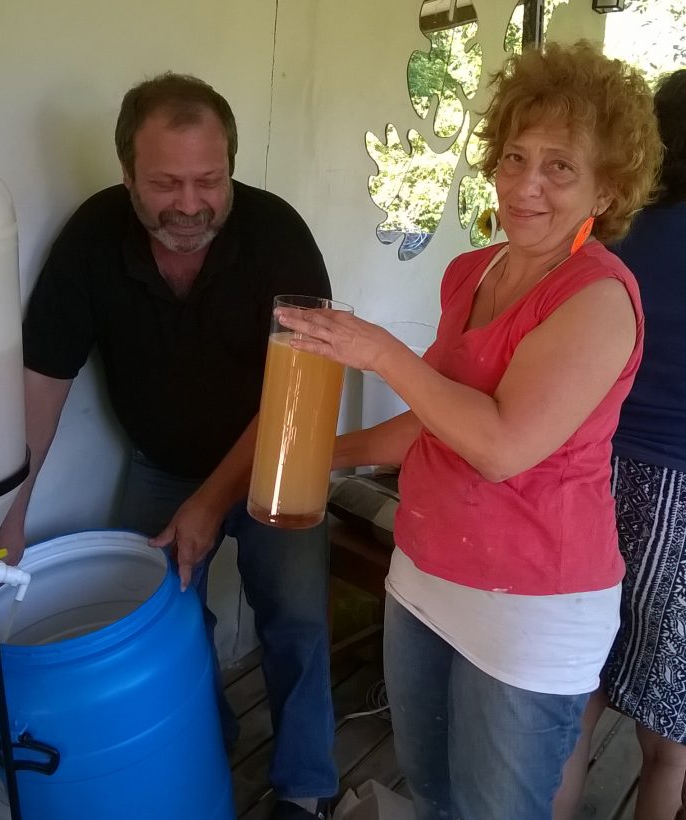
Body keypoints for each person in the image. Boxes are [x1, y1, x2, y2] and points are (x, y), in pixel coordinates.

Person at [274, 42, 661, 820]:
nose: (525, 184)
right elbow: (431, 422)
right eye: (515, 156)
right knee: (433, 794)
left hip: (531, 610)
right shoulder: (472, 272)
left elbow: (499, 446)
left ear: (607, 186)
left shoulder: (597, 299)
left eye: (560, 166)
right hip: (422, 577)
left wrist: (378, 350)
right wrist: (318, 455)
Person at [0, 72, 337, 820]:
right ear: (126, 175)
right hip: (162, 467)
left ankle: (306, 787)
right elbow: (42, 382)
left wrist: (211, 502)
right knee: (157, 617)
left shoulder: (279, 235)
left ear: (231, 169)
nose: (189, 204)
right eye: (165, 183)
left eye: (209, 180)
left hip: (280, 456)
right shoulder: (92, 237)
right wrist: (10, 513)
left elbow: (297, 393)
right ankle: (202, 743)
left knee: (296, 618)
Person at [553, 68, 686, 820]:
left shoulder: (603, 240)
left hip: (590, 477)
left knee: (580, 699)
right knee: (668, 741)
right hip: (679, 499)